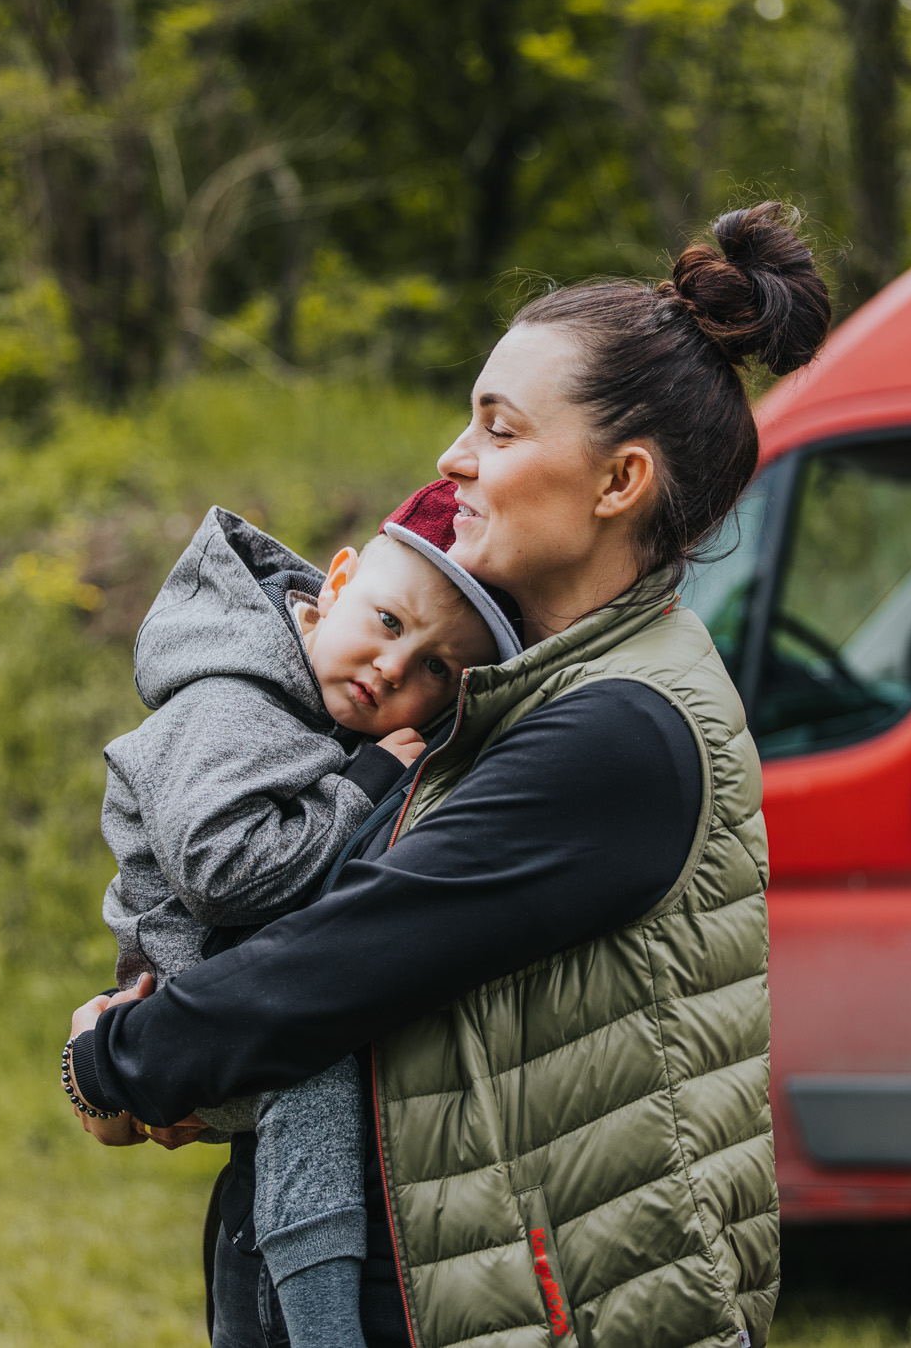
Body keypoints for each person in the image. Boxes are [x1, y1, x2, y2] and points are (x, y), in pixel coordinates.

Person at [65, 200, 833, 1348]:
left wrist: (121, 1061)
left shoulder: (619, 729)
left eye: (500, 429)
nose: (452, 458)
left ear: (618, 483)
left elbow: (351, 958)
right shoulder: (524, 688)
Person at [69, 492, 522, 1348]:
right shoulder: (232, 697)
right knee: (308, 1063)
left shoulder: (303, 702)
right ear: (334, 583)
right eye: (387, 621)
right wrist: (360, 792)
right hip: (193, 972)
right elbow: (218, 869)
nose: (394, 667)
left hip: (223, 992)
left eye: (434, 670)